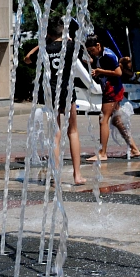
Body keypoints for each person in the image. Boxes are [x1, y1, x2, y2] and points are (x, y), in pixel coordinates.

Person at [24, 18, 86, 185]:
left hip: (51, 91)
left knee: (55, 134)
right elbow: (87, 59)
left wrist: (42, 44)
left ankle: (55, 175)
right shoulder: (71, 46)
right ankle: (77, 175)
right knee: (72, 131)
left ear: (48, 34)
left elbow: (27, 59)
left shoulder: (45, 49)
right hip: (67, 89)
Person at [85, 34, 140, 161]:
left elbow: (118, 73)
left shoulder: (108, 55)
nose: (91, 53)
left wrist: (100, 71)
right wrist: (92, 62)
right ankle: (134, 149)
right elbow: (99, 63)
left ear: (98, 45)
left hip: (113, 90)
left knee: (103, 119)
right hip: (111, 89)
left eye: (92, 50)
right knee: (117, 121)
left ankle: (102, 153)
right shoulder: (100, 55)